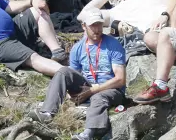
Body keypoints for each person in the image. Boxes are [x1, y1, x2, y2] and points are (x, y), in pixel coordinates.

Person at [30, 9, 126, 140]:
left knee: (99, 97)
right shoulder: (78, 48)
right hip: (88, 85)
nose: (97, 29)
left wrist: (93, 90)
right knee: (63, 71)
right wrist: (72, 95)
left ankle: (88, 134)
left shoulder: (113, 44)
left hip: (111, 89)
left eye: (99, 24)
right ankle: (47, 113)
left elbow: (120, 79)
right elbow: (73, 75)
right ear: (84, 26)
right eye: (92, 25)